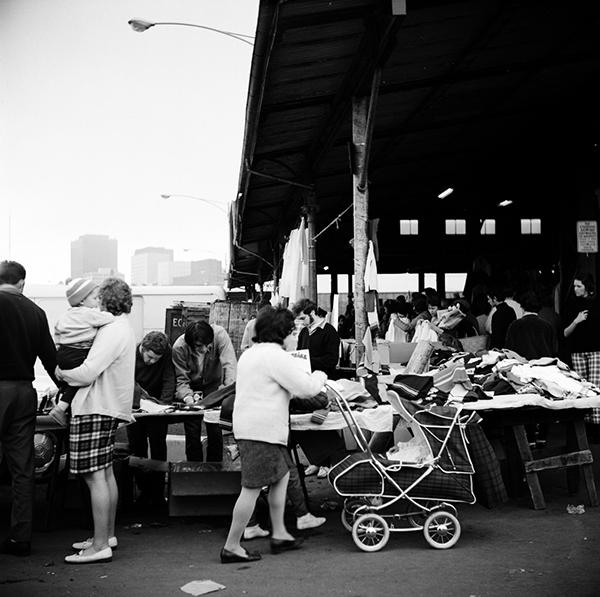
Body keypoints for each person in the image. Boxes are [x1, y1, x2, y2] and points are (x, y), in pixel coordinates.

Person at [221, 307, 327, 563]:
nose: (295, 338)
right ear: (282, 333)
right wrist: (320, 377)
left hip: (254, 428)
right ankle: (232, 545)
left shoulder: (250, 354)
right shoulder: (276, 356)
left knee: (281, 477)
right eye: (293, 332)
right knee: (252, 488)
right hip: (263, 431)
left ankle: (279, 533)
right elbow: (305, 388)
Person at [58, 278, 136, 564]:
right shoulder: (123, 327)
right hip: (109, 407)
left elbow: (88, 372)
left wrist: (62, 372)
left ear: (105, 300)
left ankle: (100, 544)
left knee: (94, 478)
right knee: (104, 474)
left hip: (95, 406)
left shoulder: (111, 330)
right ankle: (107, 535)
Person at [0, 261, 58, 557]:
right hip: (24, 391)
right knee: (23, 467)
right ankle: (20, 537)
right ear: (22, 283)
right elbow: (51, 360)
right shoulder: (36, 312)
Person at [48, 278, 114, 426]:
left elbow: (57, 335)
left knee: (68, 381)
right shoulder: (88, 314)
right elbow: (110, 319)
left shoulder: (65, 316)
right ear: (82, 301)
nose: (97, 301)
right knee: (79, 380)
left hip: (63, 352)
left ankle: (62, 406)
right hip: (78, 353)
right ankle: (61, 408)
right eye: (94, 298)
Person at [172, 321, 237, 462]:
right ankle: (193, 472)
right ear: (189, 344)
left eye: (207, 345)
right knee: (192, 431)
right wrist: (189, 399)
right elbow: (181, 380)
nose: (204, 349)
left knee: (215, 430)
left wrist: (224, 393)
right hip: (192, 388)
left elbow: (230, 366)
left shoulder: (219, 335)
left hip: (214, 388)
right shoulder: (179, 347)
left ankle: (215, 470)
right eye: (198, 346)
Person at [127, 331, 175, 508]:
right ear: (143, 348)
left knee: (158, 449)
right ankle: (142, 491)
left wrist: (164, 405)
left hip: (158, 408)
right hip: (136, 406)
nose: (152, 362)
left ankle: (157, 494)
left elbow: (169, 378)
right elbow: (128, 381)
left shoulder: (166, 353)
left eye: (156, 359)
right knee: (136, 448)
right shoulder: (130, 354)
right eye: (149, 357)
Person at [563, 274, 600, 430]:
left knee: (596, 386)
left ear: (587, 287)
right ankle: (584, 425)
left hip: (596, 350)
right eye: (575, 286)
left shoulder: (597, 303)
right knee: (582, 388)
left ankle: (597, 423)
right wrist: (576, 321)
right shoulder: (570, 304)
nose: (575, 289)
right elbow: (564, 333)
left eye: (579, 286)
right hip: (577, 350)